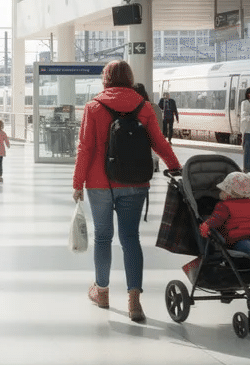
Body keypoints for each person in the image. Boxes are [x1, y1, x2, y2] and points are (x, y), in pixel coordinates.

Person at [73, 60, 181, 324]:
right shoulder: (143, 107)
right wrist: (176, 166)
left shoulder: (94, 107)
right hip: (135, 182)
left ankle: (102, 292)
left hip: (99, 183)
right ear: (130, 78)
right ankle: (134, 299)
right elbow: (159, 141)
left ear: (106, 78)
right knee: (130, 238)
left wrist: (77, 183)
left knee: (103, 237)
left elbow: (85, 148)